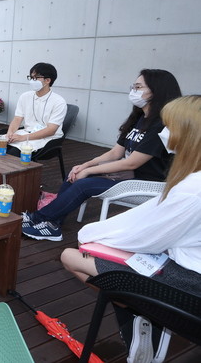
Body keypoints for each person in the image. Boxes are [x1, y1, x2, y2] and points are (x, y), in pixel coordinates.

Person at [61, 95, 201, 363]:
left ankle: (145, 314)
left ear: (188, 132)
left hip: (190, 286)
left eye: (169, 126)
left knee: (71, 256)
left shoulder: (192, 189)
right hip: (185, 264)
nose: (163, 132)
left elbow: (146, 236)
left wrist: (88, 234)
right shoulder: (192, 181)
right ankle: (143, 315)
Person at [22, 69, 182, 241]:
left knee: (83, 184)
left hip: (146, 184)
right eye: (133, 87)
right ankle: (52, 223)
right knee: (74, 174)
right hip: (128, 176)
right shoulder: (139, 119)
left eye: (138, 87)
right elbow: (116, 152)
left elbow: (131, 163)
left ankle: (39, 218)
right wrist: (85, 166)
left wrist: (89, 171)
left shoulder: (161, 125)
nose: (133, 91)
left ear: (156, 91)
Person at [2, 62, 67, 157]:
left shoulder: (59, 102)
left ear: (47, 80)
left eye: (36, 78)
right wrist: (10, 133)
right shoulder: (25, 96)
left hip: (48, 138)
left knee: (14, 153)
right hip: (27, 132)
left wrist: (22, 138)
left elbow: (51, 130)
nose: (32, 81)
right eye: (31, 77)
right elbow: (17, 118)